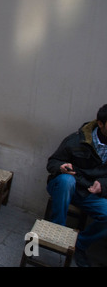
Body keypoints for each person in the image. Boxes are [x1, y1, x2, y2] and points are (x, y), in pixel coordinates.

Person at [46, 104, 107, 267]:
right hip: (66, 187)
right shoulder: (77, 140)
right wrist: (61, 167)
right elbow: (52, 162)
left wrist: (102, 184)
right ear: (101, 124)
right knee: (67, 181)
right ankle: (58, 233)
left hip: (90, 194)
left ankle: (79, 244)